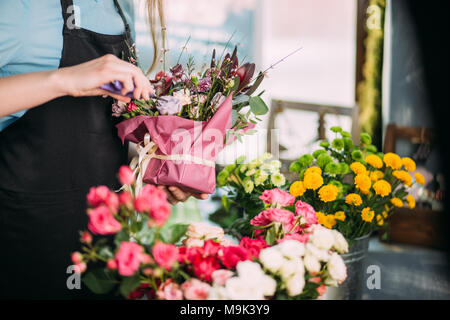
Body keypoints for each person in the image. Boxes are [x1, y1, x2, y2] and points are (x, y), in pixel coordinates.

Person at [0, 0, 208, 299]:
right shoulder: (21, 7)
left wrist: (153, 166)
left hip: (106, 239)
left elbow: (102, 123)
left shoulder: (121, 7)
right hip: (27, 235)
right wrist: (63, 80)